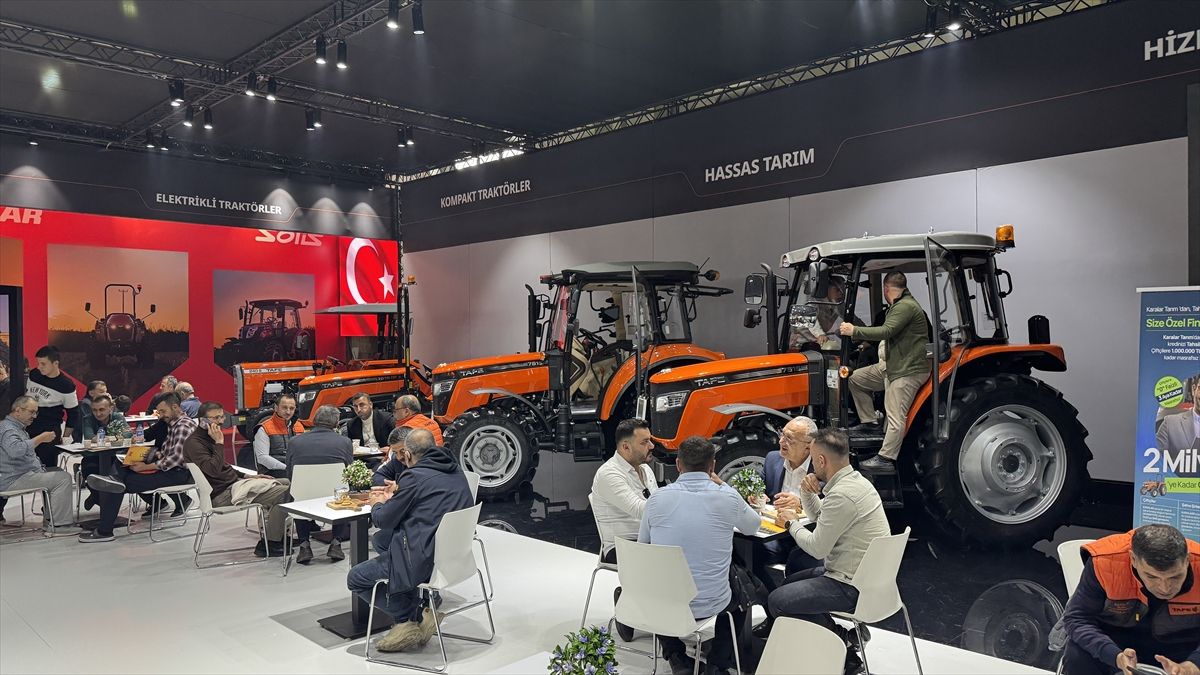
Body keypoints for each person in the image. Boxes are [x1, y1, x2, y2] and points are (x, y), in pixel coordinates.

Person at [770, 428, 891, 675]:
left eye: (813, 459)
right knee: (789, 583)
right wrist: (806, 492)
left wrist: (790, 523)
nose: (812, 464)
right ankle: (837, 645)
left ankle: (840, 639)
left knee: (777, 601)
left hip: (851, 585)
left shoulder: (843, 494)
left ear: (822, 460)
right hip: (869, 579)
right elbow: (822, 517)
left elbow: (817, 548)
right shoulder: (858, 483)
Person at [639, 436, 761, 675]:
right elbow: (753, 526)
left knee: (657, 584)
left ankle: (677, 658)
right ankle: (717, 663)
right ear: (712, 466)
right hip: (713, 601)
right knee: (743, 591)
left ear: (678, 464)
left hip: (664, 603)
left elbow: (643, 547)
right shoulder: (727, 497)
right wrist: (725, 487)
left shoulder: (656, 499)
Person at [347, 429, 473, 653]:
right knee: (382, 541)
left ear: (407, 454)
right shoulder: (455, 469)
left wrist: (377, 503)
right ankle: (418, 605)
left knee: (356, 578)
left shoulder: (414, 476)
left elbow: (384, 519)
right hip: (454, 555)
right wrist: (400, 493)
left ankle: (408, 618)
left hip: (422, 557)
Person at [1061, 524, 1200, 675]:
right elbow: (1077, 618)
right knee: (1077, 655)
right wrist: (1114, 656)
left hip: (1183, 646)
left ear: (1187, 560)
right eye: (1152, 577)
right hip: (1116, 643)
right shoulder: (1105, 561)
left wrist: (1193, 665)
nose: (1165, 588)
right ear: (1133, 559)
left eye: (1175, 577)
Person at [840, 271, 931, 471]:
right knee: (855, 379)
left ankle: (886, 459)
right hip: (892, 366)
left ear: (886, 288)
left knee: (895, 415)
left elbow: (886, 331)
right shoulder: (898, 306)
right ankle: (869, 422)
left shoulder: (905, 306)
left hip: (906, 370)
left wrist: (853, 330)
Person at [79, 393, 196, 542]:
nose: (161, 415)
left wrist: (145, 467)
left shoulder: (182, 426)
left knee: (118, 485)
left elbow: (175, 459)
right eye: (159, 412)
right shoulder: (174, 424)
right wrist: (154, 455)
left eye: (163, 411)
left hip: (177, 474)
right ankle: (112, 481)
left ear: (175, 407)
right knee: (121, 466)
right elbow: (170, 454)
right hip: (170, 470)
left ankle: (104, 531)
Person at [183, 401, 292, 557]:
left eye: (221, 417)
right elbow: (213, 469)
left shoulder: (208, 437)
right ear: (202, 421)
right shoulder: (195, 443)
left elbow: (223, 466)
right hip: (221, 495)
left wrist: (249, 476)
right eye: (215, 418)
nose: (221, 421)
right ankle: (271, 542)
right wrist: (219, 443)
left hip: (233, 485)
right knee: (285, 492)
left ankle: (277, 532)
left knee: (286, 483)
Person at [589, 418, 658, 641]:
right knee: (671, 561)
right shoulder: (609, 474)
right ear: (626, 447)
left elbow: (656, 507)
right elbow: (641, 510)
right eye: (645, 442)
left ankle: (646, 605)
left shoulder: (645, 470)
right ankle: (629, 601)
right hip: (621, 547)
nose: (651, 446)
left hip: (648, 540)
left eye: (650, 440)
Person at [748, 416, 818, 598]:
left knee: (802, 563)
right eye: (782, 435)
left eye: (789, 439)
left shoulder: (821, 466)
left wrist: (802, 503)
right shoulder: (773, 458)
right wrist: (756, 495)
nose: (781, 442)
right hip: (776, 534)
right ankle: (771, 599)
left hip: (808, 538)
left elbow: (830, 503)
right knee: (746, 551)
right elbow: (760, 488)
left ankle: (792, 603)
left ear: (808, 446)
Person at [286, 404, 353, 565]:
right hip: (334, 497)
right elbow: (348, 473)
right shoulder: (345, 442)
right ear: (336, 423)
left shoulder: (294, 442)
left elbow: (290, 473)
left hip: (303, 496)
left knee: (297, 495)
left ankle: (304, 545)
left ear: (314, 420)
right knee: (344, 491)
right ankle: (336, 543)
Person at [0, 395, 76, 532]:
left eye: (36, 412)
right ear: (18, 410)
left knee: (58, 472)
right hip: (15, 479)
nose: (34, 416)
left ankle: (50, 518)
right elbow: (16, 450)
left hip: (21, 474)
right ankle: (60, 525)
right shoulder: (8, 429)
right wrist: (40, 438)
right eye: (31, 412)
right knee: (63, 478)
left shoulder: (15, 427)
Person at [25, 345, 78, 468]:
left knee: (46, 466)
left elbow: (73, 414)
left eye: (43, 364)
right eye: (38, 363)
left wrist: (65, 437)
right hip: (28, 426)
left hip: (49, 429)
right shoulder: (34, 374)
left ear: (55, 363)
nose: (39, 367)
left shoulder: (66, 385)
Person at [79, 393, 129, 509]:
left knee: (123, 472)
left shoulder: (118, 417)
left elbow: (128, 434)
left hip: (116, 456)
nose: (98, 413)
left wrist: (106, 438)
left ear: (111, 408)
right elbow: (89, 437)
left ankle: (101, 501)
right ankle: (98, 498)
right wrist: (115, 437)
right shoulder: (88, 419)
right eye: (94, 410)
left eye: (101, 409)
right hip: (93, 456)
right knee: (89, 469)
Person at [250, 394, 304, 478]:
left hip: (295, 469)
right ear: (276, 408)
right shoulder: (263, 428)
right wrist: (287, 468)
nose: (288, 412)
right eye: (284, 408)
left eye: (291, 408)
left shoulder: (299, 426)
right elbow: (262, 458)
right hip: (272, 472)